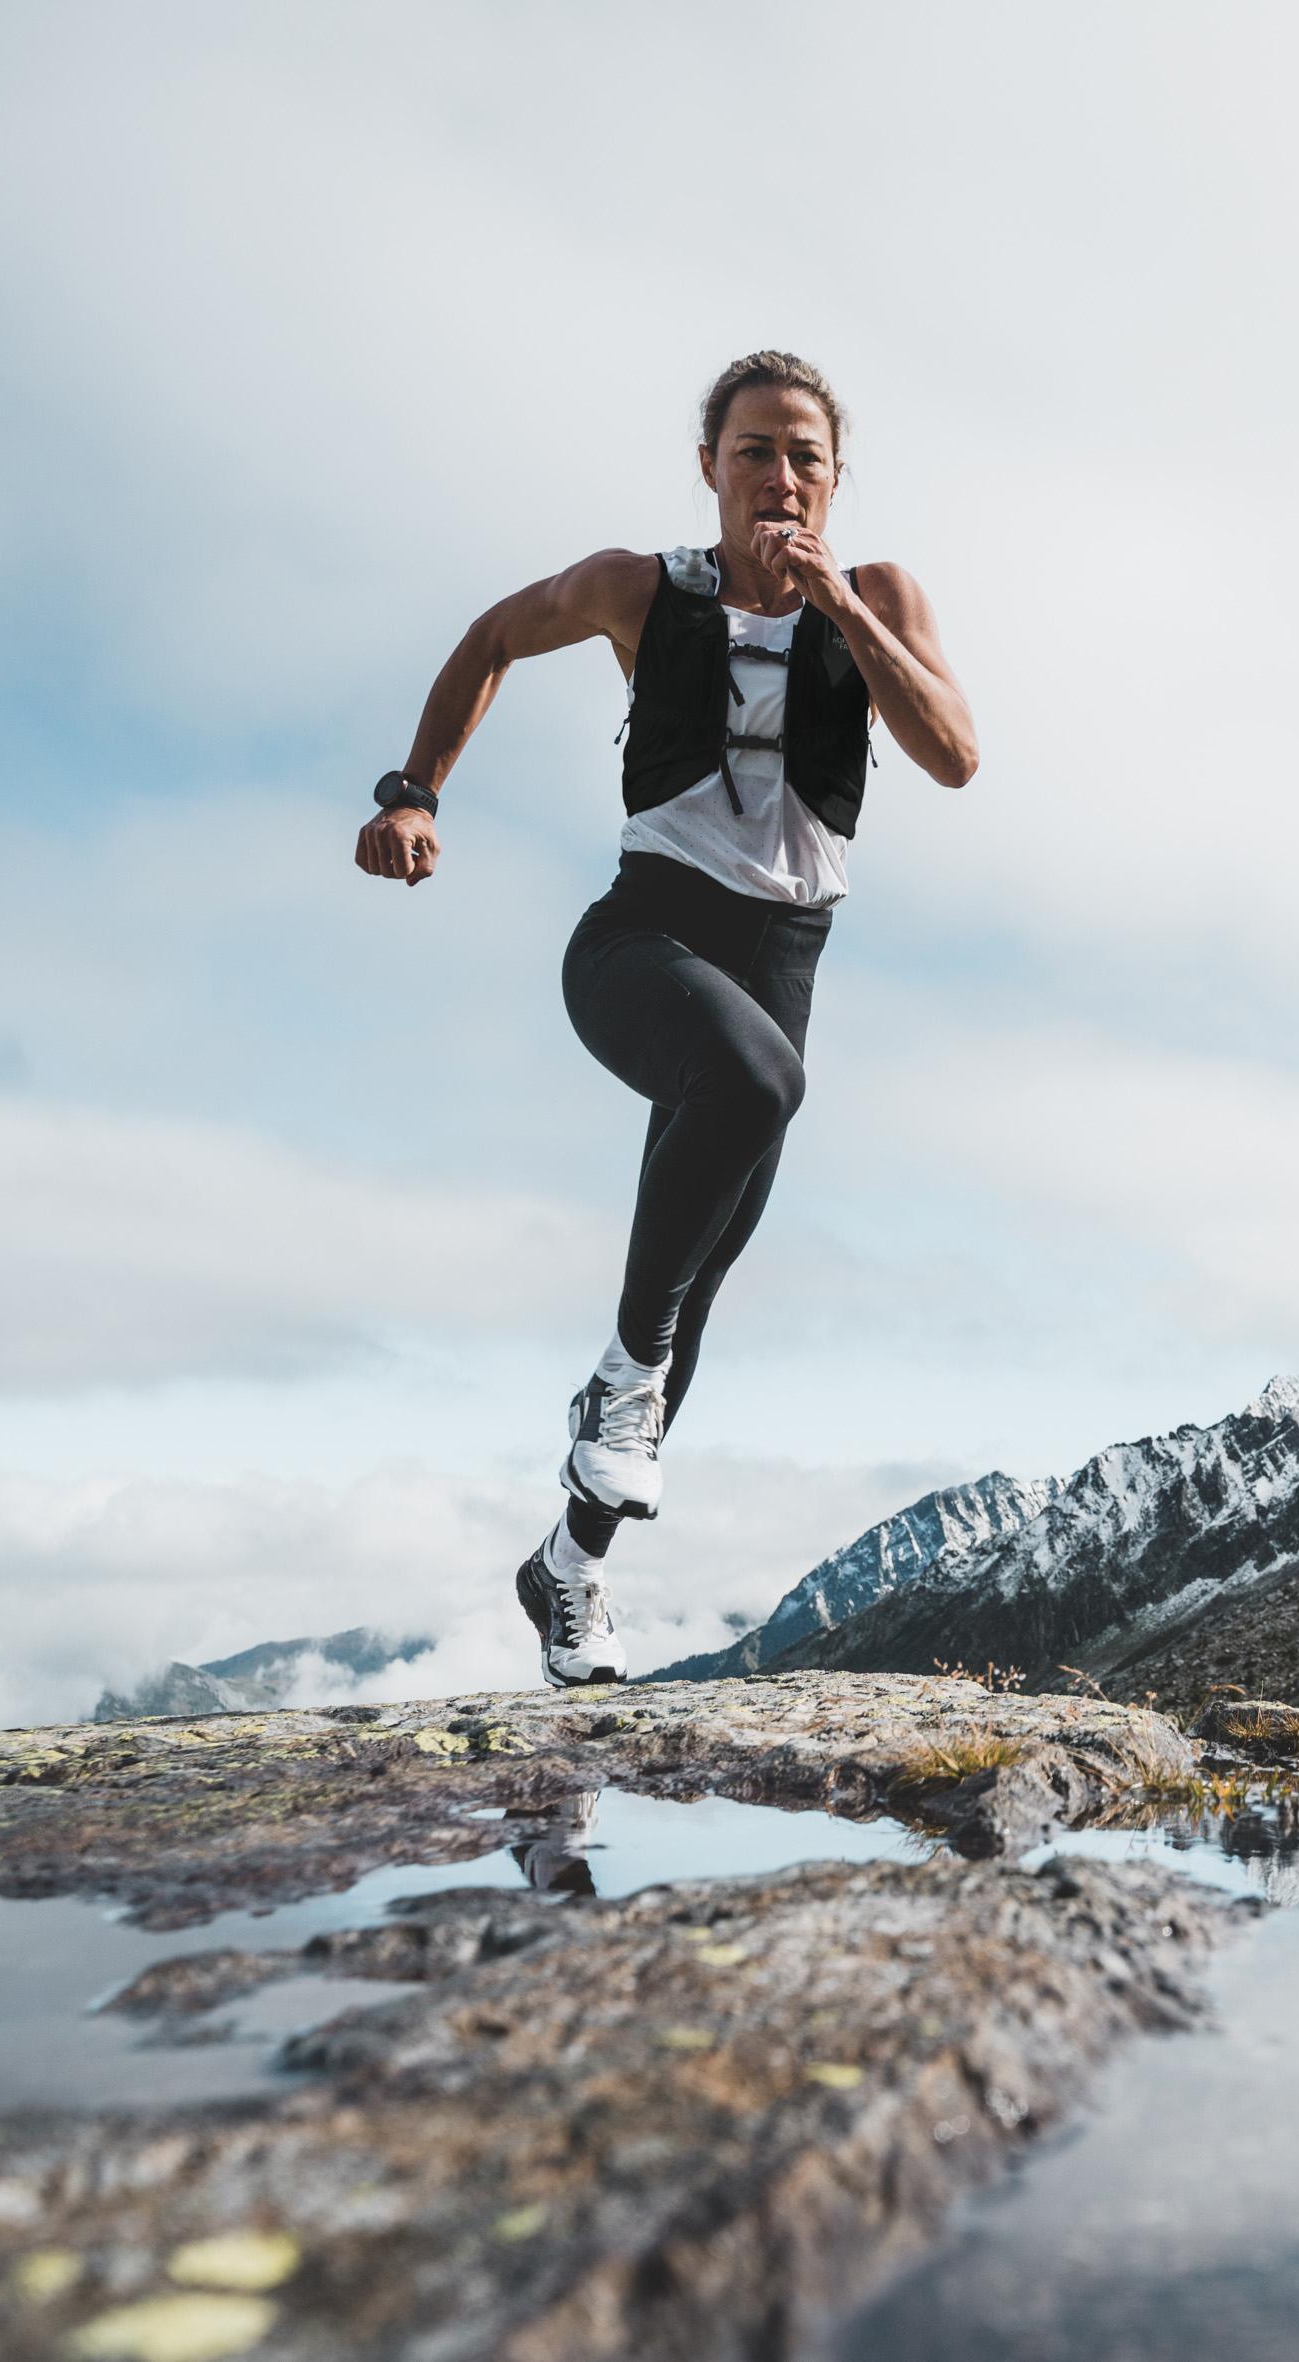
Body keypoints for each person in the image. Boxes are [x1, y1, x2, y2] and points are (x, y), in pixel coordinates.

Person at [355, 350, 977, 1687]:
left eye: (804, 455)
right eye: (753, 449)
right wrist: (415, 791)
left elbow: (953, 754)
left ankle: (569, 1571)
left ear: (834, 478)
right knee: (753, 1100)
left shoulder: (878, 596)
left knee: (696, 1282)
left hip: (785, 956)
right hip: (644, 939)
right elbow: (490, 638)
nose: (780, 475)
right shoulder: (636, 587)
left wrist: (839, 615)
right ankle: (617, 1378)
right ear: (709, 466)